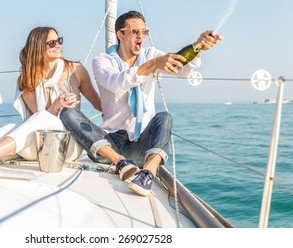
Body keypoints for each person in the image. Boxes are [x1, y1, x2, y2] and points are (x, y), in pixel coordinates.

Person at [60, 10, 223, 196]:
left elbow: (181, 68)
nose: (141, 36)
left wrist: (198, 46)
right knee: (68, 113)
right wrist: (152, 66)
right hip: (109, 143)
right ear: (120, 34)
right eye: (135, 31)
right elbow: (116, 83)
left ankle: (147, 173)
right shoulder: (102, 60)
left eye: (144, 32)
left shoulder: (151, 55)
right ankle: (120, 162)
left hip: (139, 144)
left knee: (164, 117)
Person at [0, 26, 101, 165]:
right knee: (11, 127)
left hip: (67, 146)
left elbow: (97, 103)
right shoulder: (28, 79)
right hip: (38, 145)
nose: (58, 45)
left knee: (41, 117)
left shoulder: (75, 70)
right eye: (52, 43)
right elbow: (40, 122)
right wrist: (56, 106)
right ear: (38, 48)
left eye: (59, 40)